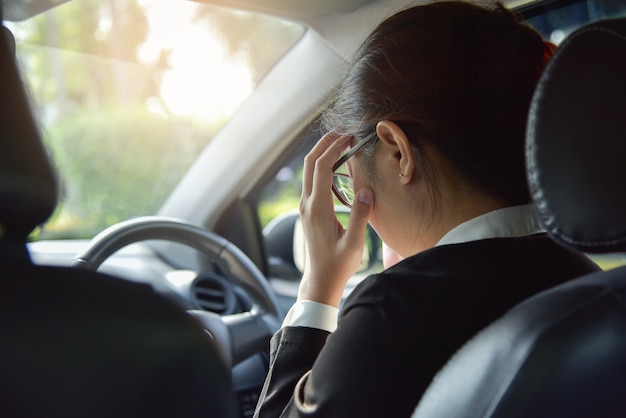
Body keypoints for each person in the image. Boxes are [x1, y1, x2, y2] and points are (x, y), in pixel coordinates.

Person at [253, 1, 598, 417]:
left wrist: (318, 288)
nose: (351, 193)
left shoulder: (395, 313)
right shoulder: (589, 282)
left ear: (398, 153)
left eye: (345, 176)